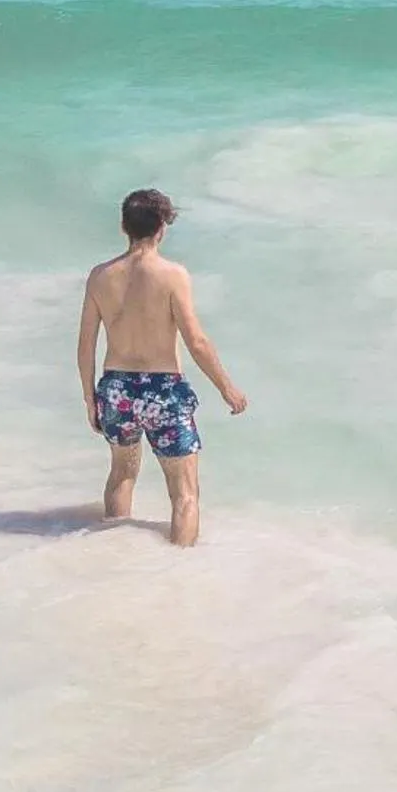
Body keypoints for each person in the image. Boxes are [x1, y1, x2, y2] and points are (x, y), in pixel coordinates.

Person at [77, 187, 247, 546]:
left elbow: (86, 344)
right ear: (162, 228)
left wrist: (90, 399)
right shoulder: (172, 275)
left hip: (116, 389)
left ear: (124, 226)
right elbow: (196, 342)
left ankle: (111, 551)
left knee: (122, 473)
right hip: (163, 391)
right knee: (184, 493)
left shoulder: (99, 276)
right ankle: (181, 574)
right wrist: (226, 388)